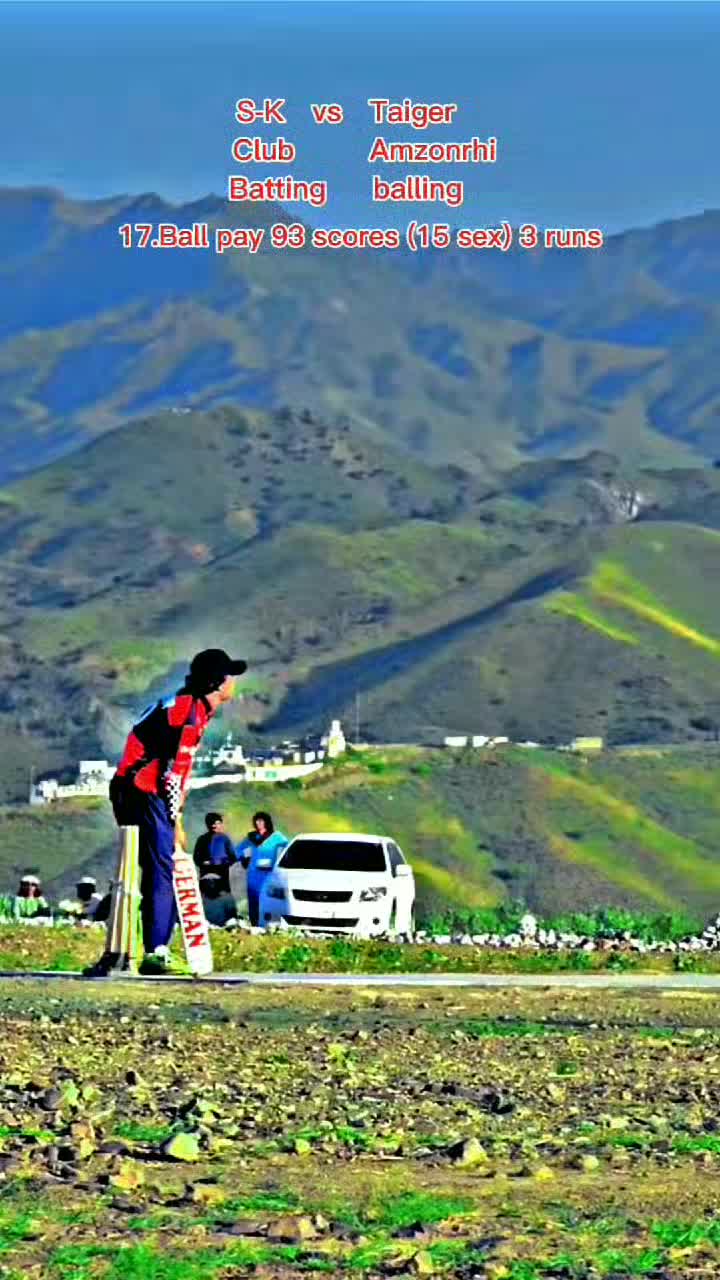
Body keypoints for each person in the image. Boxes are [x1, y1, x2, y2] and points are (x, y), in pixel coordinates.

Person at [84, 648, 247, 977]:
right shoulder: (190, 713)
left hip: (132, 788)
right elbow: (173, 775)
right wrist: (176, 823)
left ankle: (124, 950)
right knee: (162, 867)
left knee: (147, 867)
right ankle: (156, 951)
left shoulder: (185, 704)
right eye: (229, 675)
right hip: (144, 790)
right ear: (217, 683)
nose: (233, 681)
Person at [236, 811, 289, 927]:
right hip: (253, 875)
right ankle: (254, 926)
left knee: (270, 900)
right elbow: (238, 852)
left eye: (261, 821)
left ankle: (271, 926)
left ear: (267, 822)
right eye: (256, 821)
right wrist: (246, 855)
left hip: (269, 875)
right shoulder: (251, 838)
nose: (258, 823)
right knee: (253, 900)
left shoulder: (278, 838)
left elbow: (287, 852)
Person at [193, 813, 237, 894]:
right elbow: (196, 859)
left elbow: (233, 858)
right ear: (209, 825)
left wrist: (221, 862)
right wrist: (204, 863)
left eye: (219, 823)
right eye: (215, 824)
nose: (217, 826)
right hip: (207, 878)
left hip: (223, 878)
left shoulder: (224, 839)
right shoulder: (202, 839)